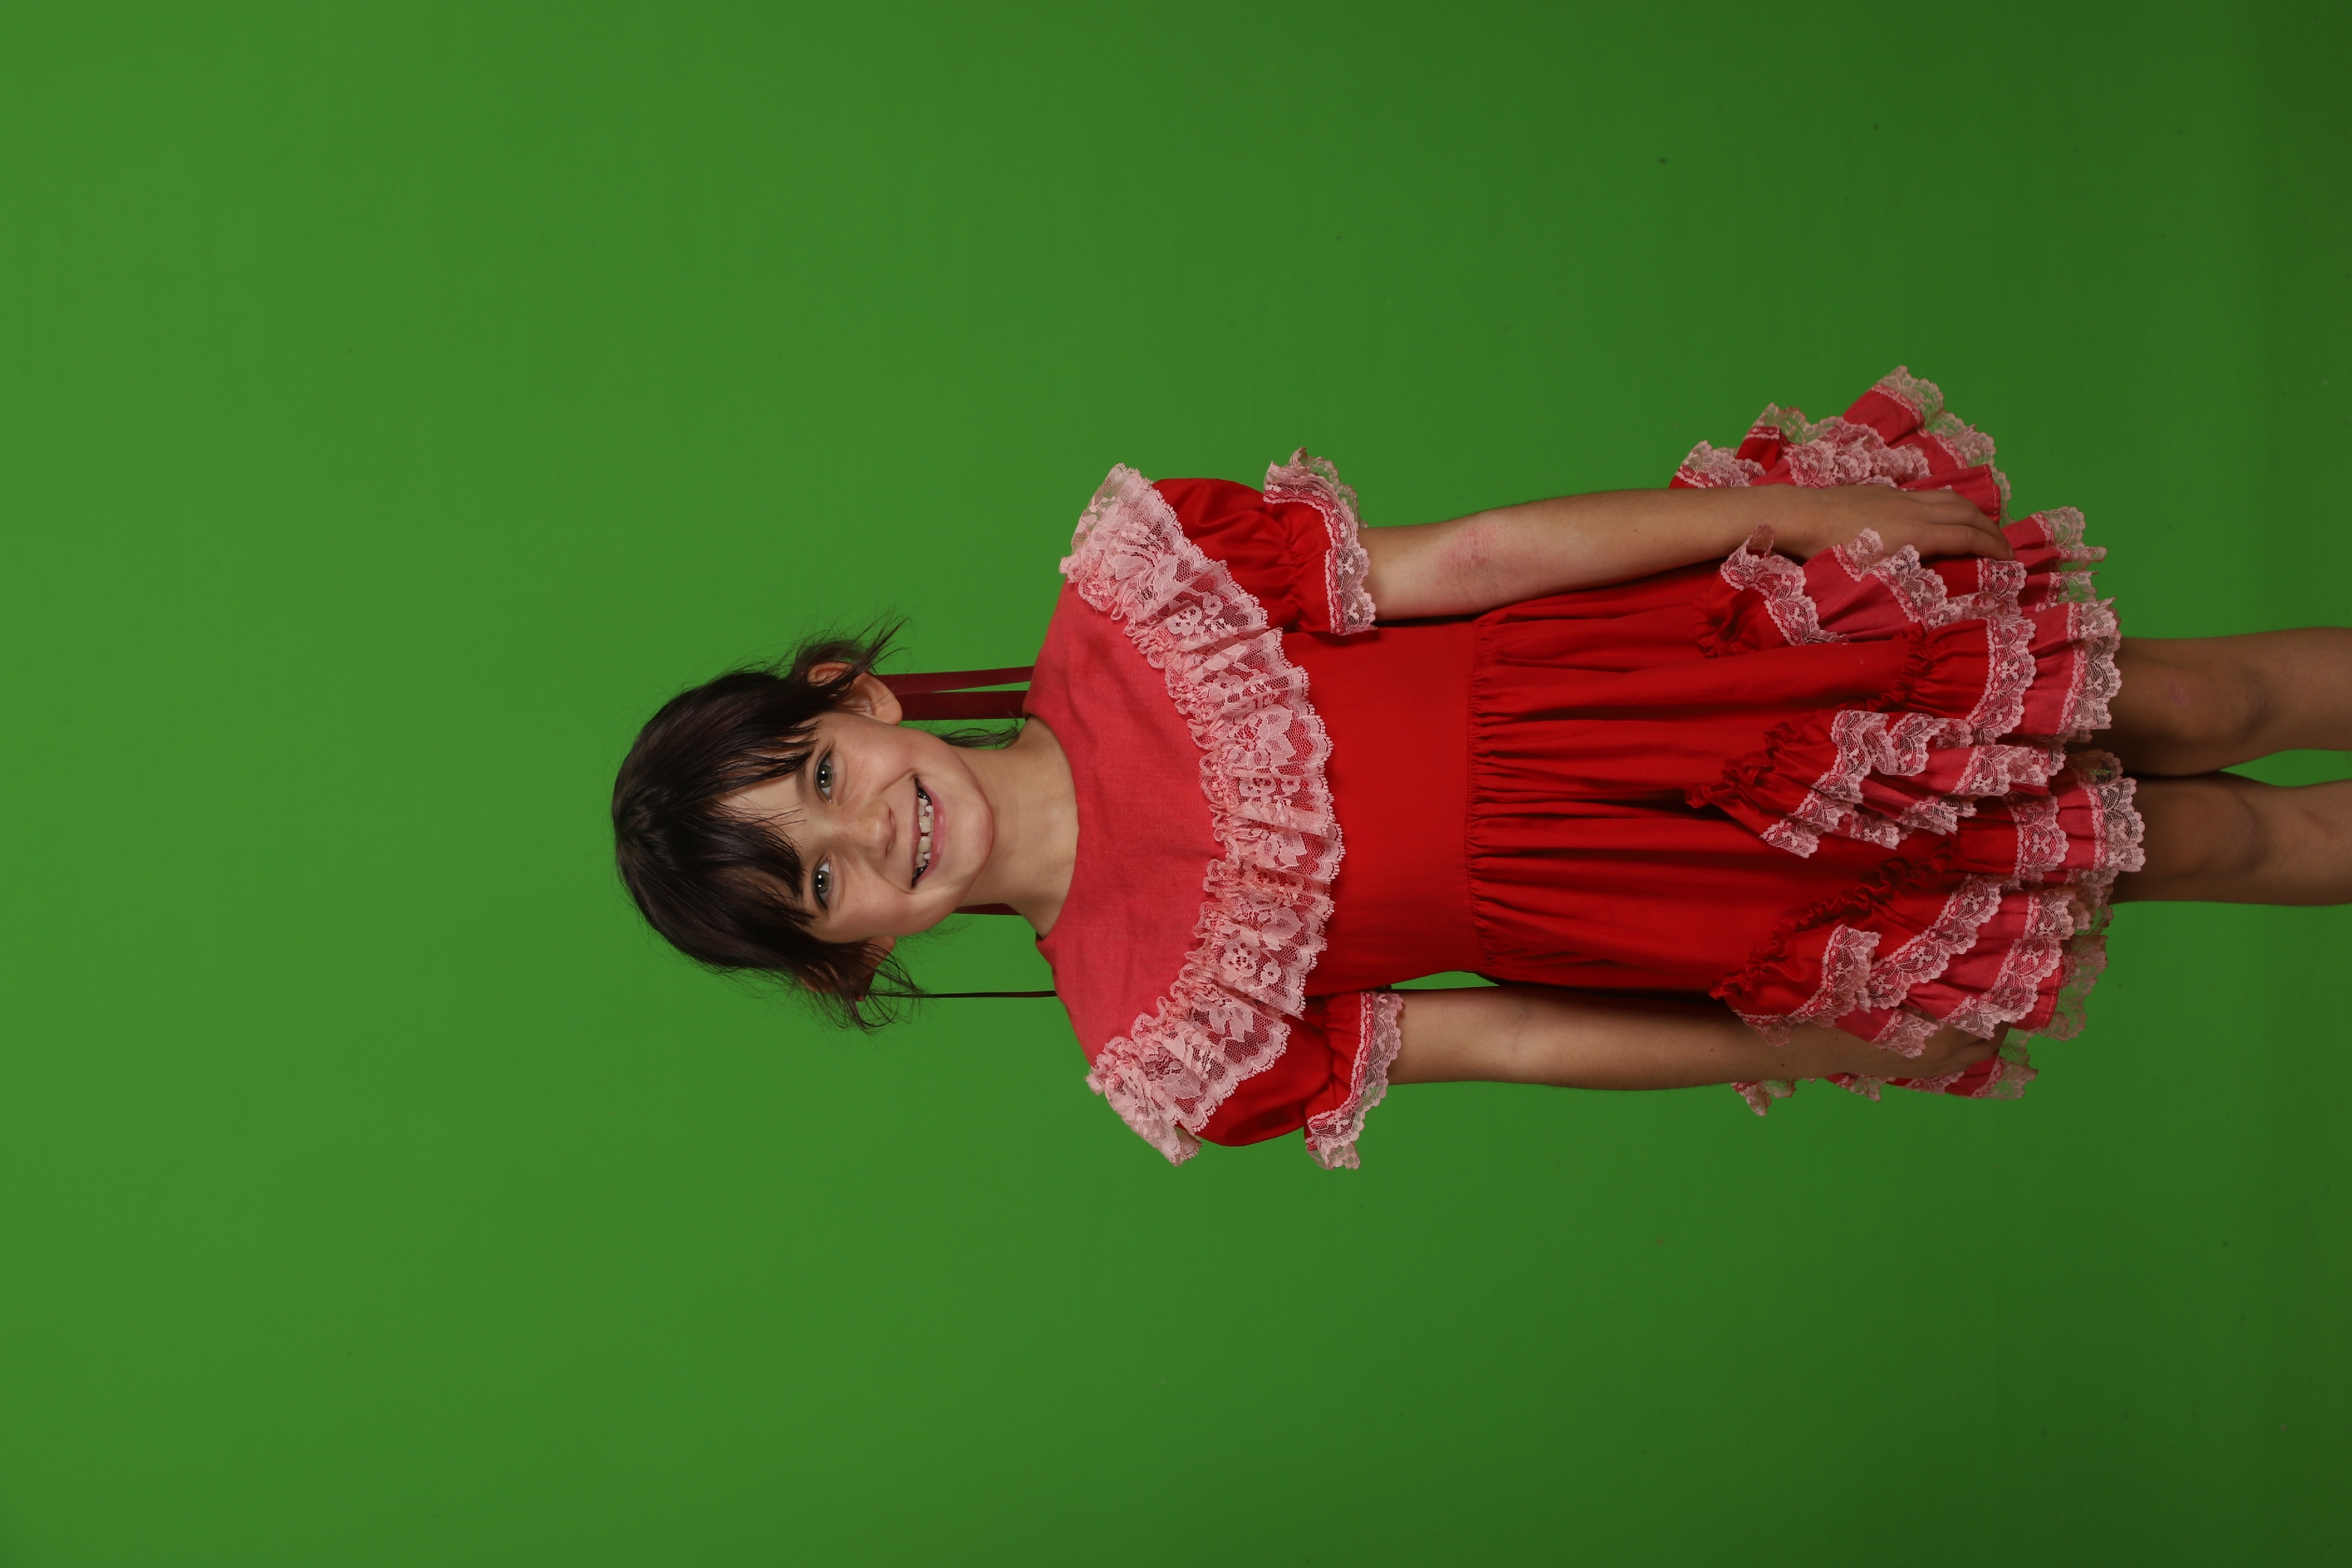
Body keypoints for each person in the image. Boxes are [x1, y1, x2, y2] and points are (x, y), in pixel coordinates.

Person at [612, 368, 2352, 1167]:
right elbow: (1507, 1038)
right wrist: (1801, 1044)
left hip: (1695, 678)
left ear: (855, 696)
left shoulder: (1141, 597)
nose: (870, 834)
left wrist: (1786, 510)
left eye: (820, 779)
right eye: (821, 881)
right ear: (851, 952)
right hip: (1684, 896)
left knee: (2189, 700)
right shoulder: (1165, 1038)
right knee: (2189, 847)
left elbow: (1483, 556)